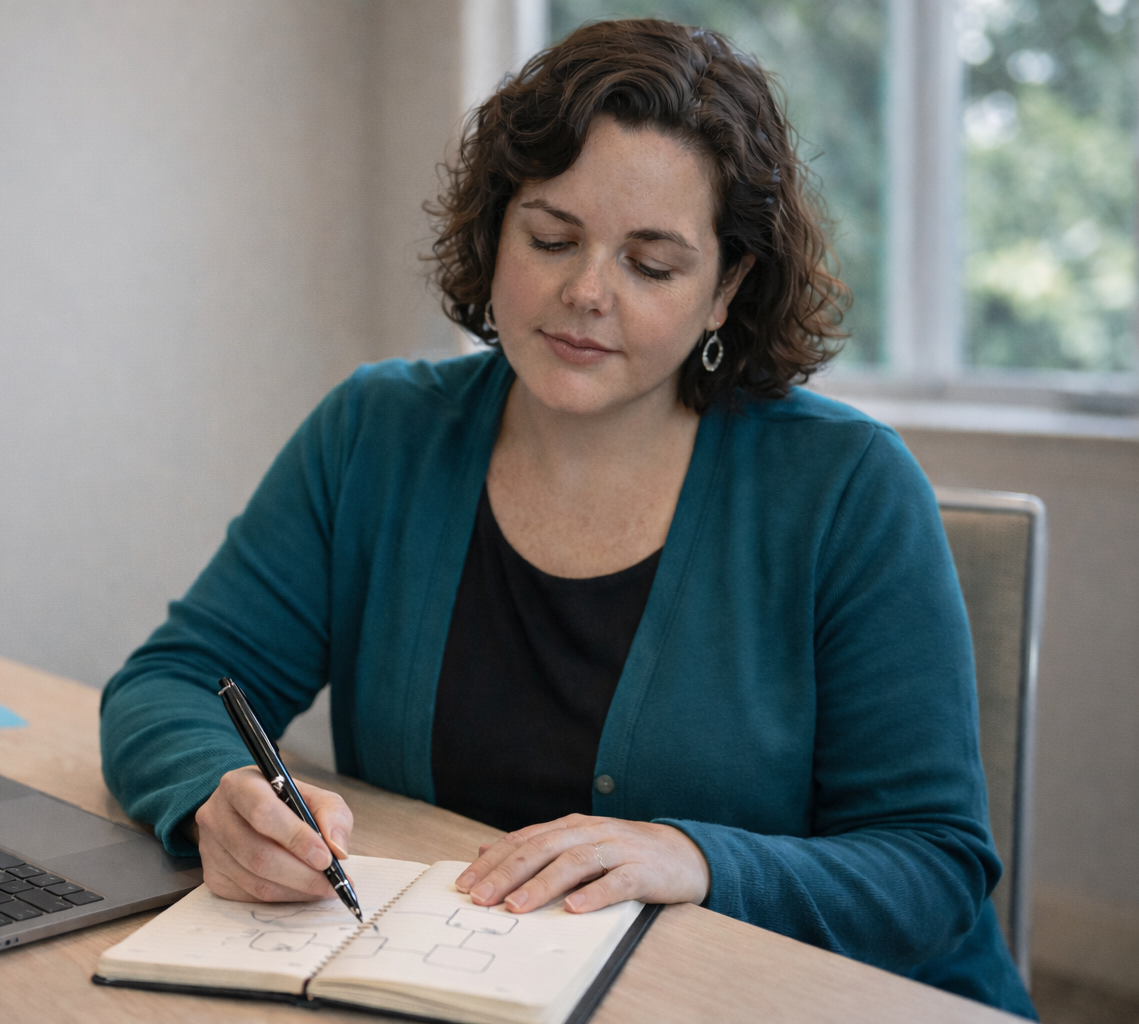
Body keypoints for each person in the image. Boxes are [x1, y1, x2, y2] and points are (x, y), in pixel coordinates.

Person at [100, 18, 1036, 1019]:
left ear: (726, 289)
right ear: (495, 234)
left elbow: (931, 865)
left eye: (653, 264)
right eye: (551, 238)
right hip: (468, 984)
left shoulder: (847, 486)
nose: (585, 292)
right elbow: (171, 682)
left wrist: (695, 857)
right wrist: (214, 794)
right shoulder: (376, 433)